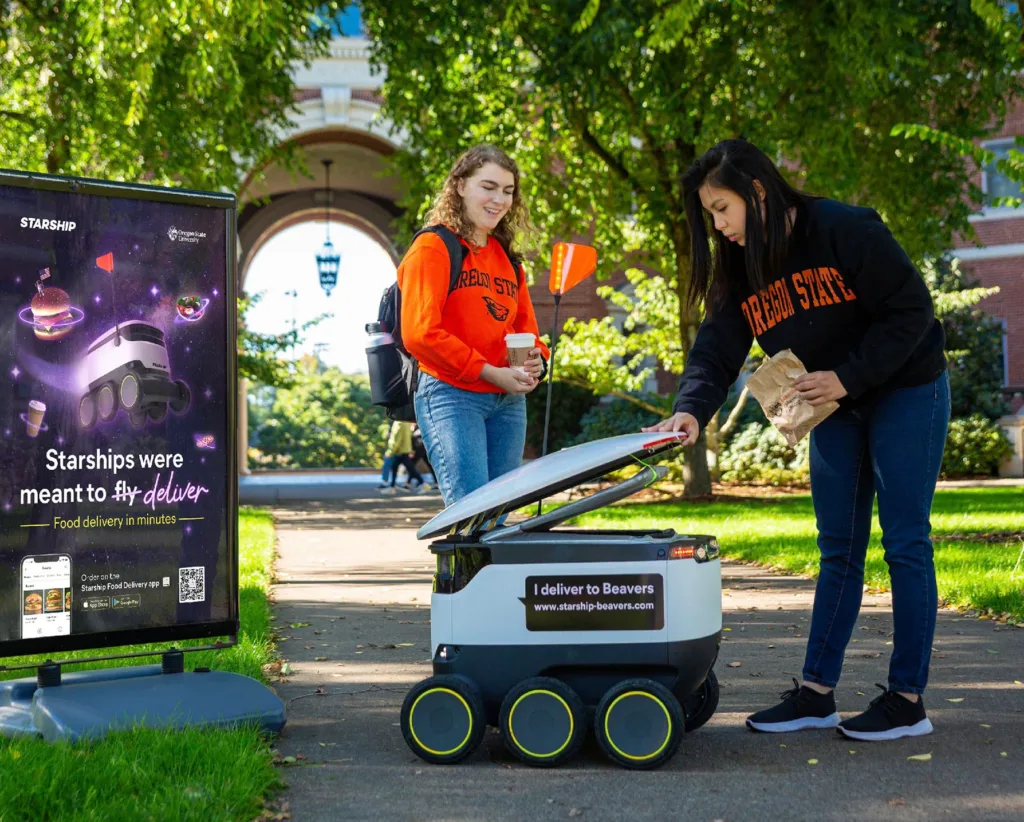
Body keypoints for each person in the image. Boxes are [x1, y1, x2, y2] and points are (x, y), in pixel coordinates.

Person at [643, 139, 949, 742]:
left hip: (906, 389)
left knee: (905, 542)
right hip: (830, 407)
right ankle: (816, 694)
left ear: (757, 192)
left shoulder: (843, 228)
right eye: (709, 214)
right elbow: (717, 347)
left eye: (722, 208)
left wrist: (848, 376)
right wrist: (690, 411)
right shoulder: (741, 267)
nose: (718, 225)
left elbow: (912, 311)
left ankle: (907, 701)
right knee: (838, 548)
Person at [398, 144, 549, 505]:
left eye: (508, 191)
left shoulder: (508, 259)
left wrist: (536, 362)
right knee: (471, 511)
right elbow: (420, 333)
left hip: (508, 401)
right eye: (488, 187)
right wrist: (489, 372)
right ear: (461, 186)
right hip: (452, 395)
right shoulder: (434, 246)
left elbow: (526, 331)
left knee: (499, 513)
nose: (499, 199)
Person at [380, 420, 424, 495]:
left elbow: (396, 439)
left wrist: (390, 452)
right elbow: (409, 436)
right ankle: (392, 487)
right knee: (396, 467)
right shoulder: (406, 422)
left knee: (411, 469)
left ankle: (423, 483)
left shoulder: (399, 423)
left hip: (400, 451)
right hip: (405, 449)